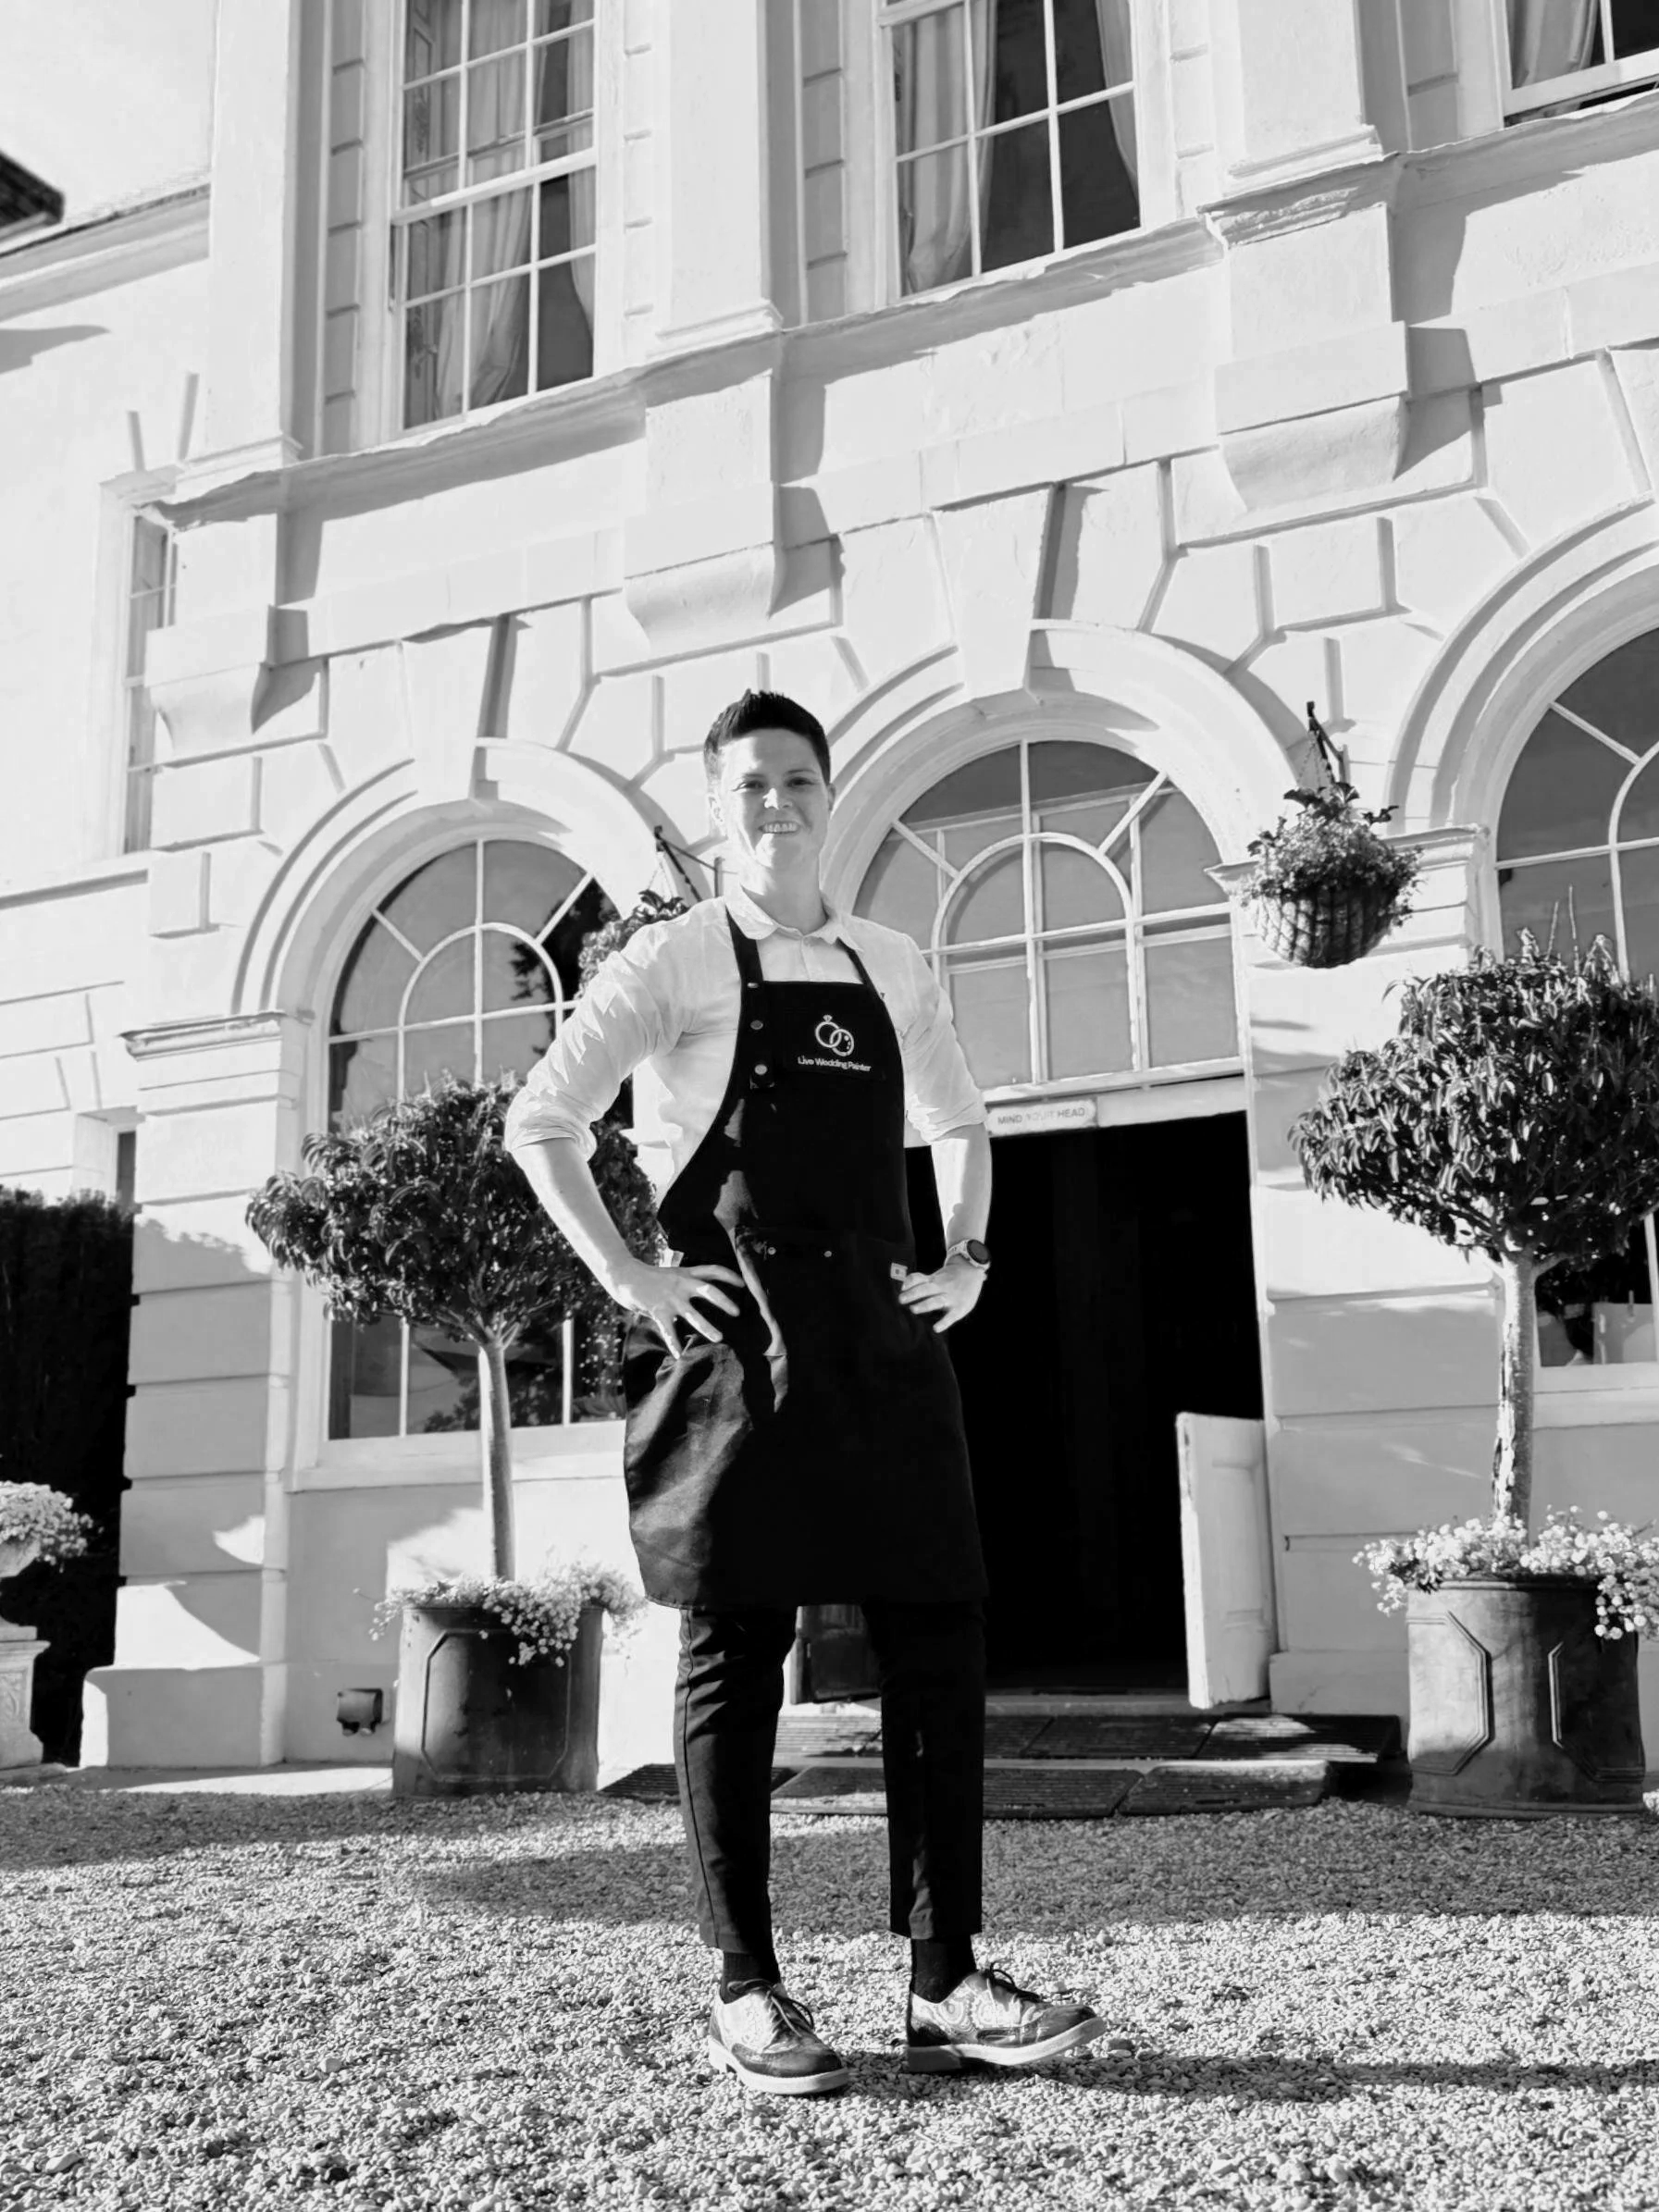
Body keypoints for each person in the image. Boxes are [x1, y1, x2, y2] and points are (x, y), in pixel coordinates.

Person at [504, 689, 1105, 2095]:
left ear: (830, 794)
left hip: (883, 1356)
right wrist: (636, 1279)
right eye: (750, 784)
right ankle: (746, 1985)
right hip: (737, 1354)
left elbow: (960, 1121)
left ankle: (945, 1973)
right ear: (721, 806)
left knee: (939, 1643)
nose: (776, 803)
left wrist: (965, 1257)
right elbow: (544, 1118)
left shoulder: (891, 959)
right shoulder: (671, 960)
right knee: (736, 1660)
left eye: (796, 779)